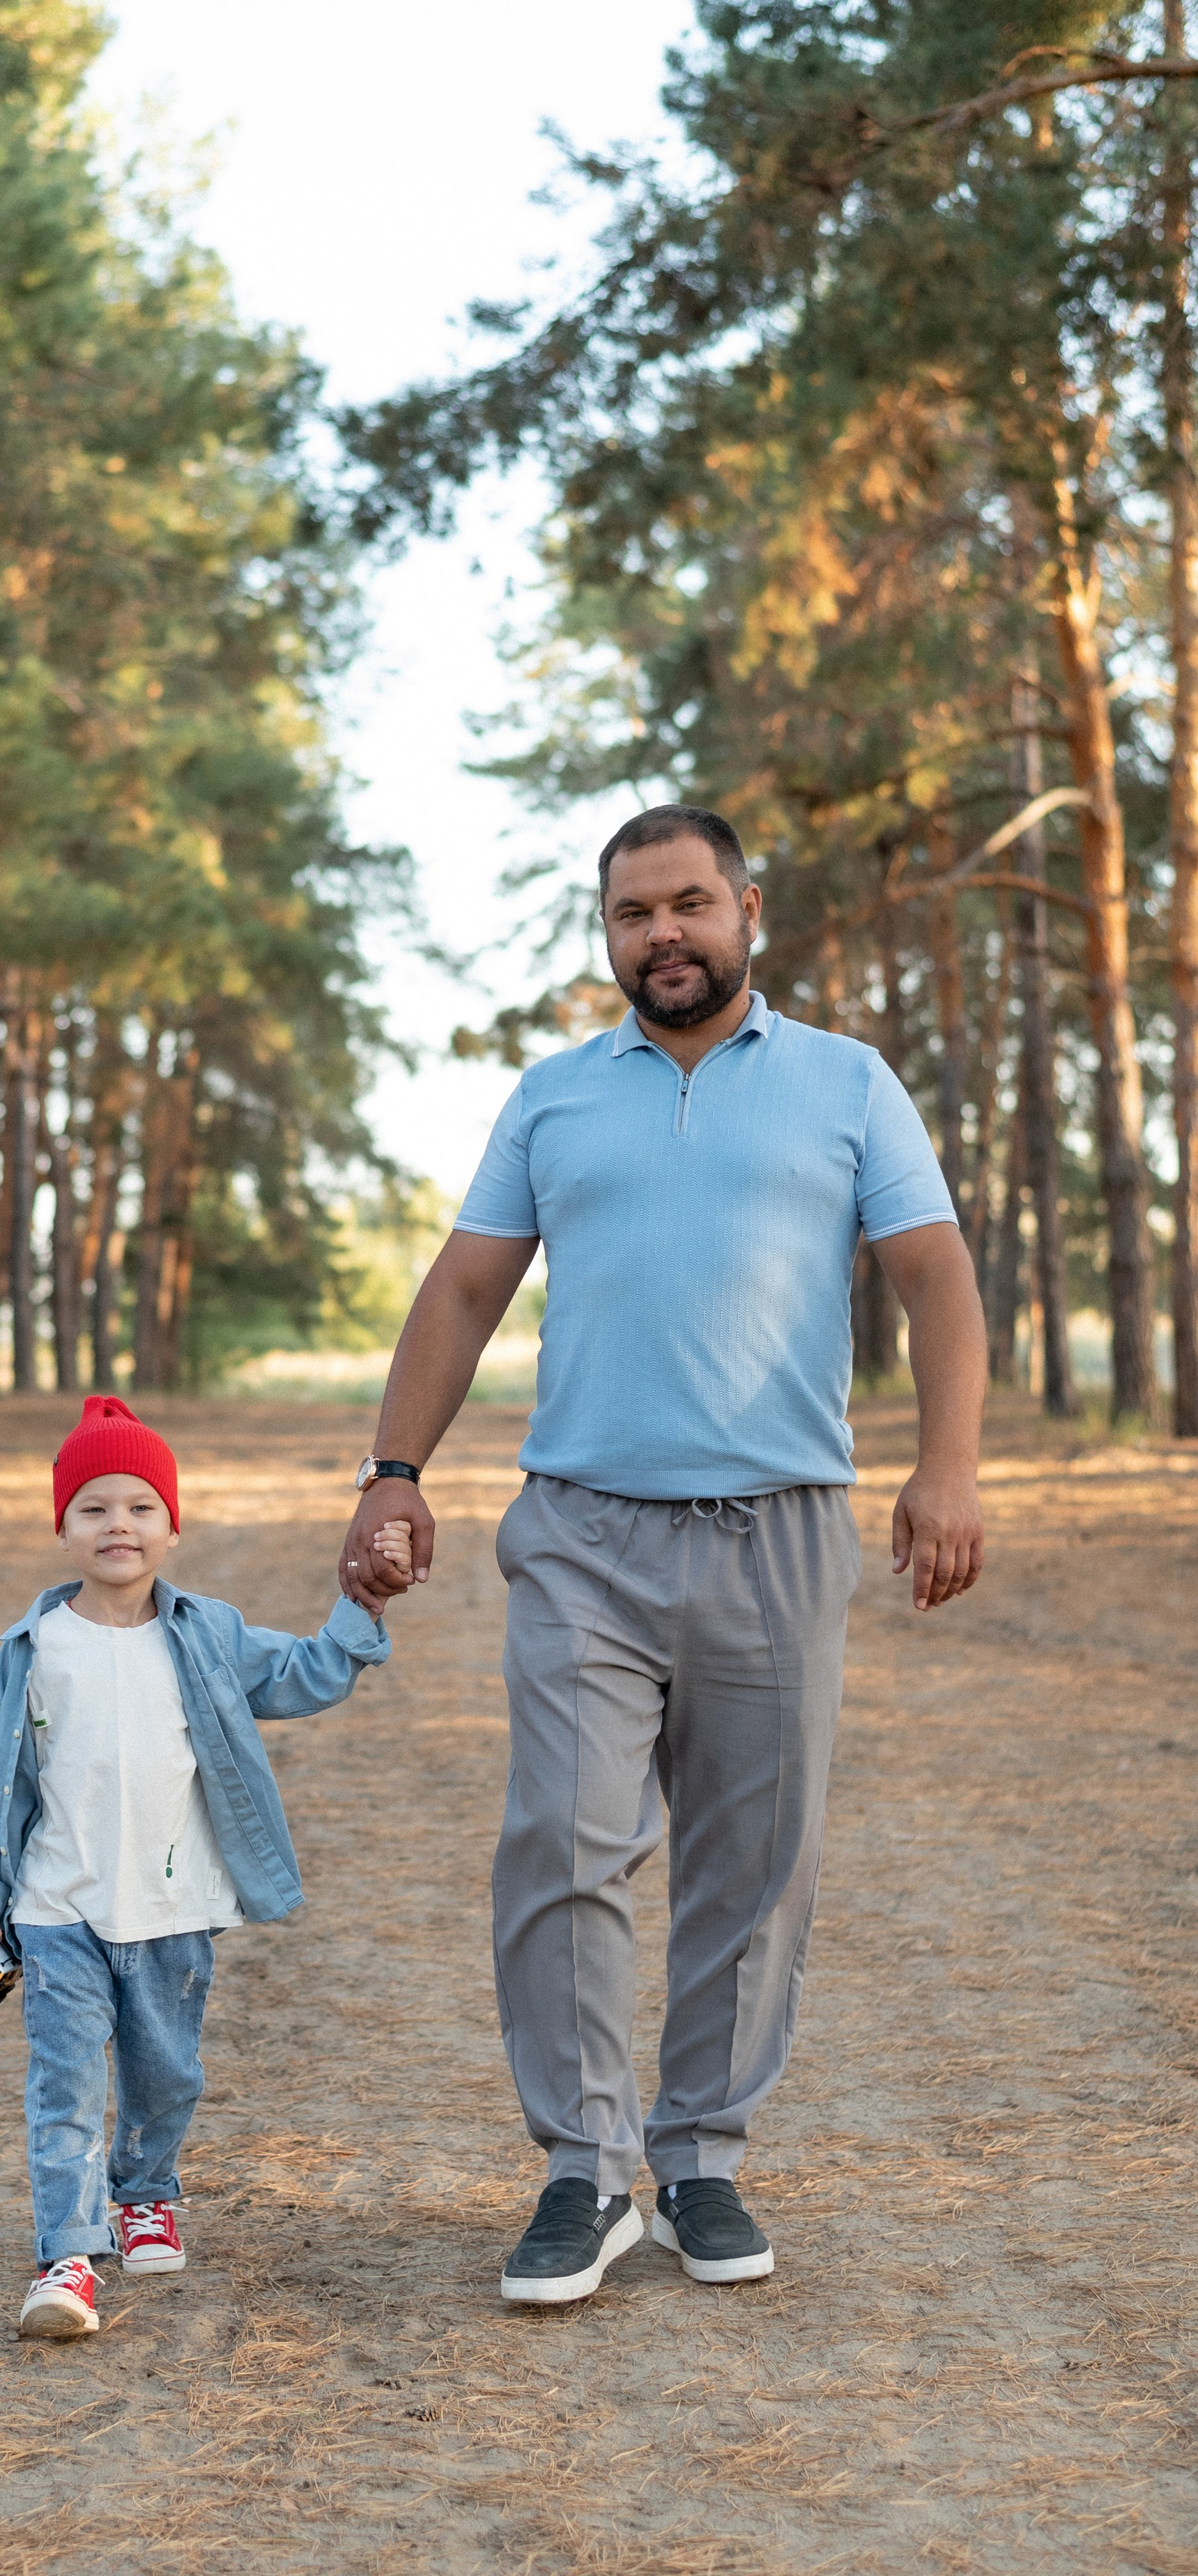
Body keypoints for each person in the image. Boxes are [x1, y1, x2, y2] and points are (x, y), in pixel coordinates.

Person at [337, 804, 986, 2308]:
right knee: (561, 1838)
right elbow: (460, 1290)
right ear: (608, 935)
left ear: (747, 909)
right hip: (582, 1532)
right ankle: (581, 2167)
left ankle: (696, 2155)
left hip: (777, 1533)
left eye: (688, 903)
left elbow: (932, 1273)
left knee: (751, 1867)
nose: (662, 935)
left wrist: (944, 1465)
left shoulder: (845, 1082)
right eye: (632, 915)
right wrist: (392, 1470)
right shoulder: (554, 1097)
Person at [0, 1393, 412, 2343]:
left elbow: (309, 1673)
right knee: (62, 2085)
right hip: (57, 1909)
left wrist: (366, 1606)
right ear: (62, 1527)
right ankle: (65, 2258)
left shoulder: (208, 1635)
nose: (119, 1525)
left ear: (173, 1527)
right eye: (95, 1507)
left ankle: (145, 2194)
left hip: (173, 1909)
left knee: (166, 2074)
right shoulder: (30, 1654)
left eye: (141, 1506)